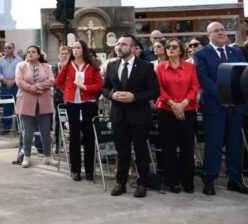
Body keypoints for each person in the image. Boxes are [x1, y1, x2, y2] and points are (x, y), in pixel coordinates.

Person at [101, 34, 160, 198]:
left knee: (141, 151)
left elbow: (155, 91)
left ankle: (142, 184)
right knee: (122, 151)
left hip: (139, 116)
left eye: (124, 44)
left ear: (134, 48)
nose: (119, 47)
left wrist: (135, 97)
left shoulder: (146, 67)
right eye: (118, 44)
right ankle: (121, 183)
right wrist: (112, 95)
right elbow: (104, 88)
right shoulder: (112, 66)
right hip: (118, 116)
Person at [193, 21, 248, 195]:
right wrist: (224, 96)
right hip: (215, 107)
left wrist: (236, 97)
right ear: (209, 35)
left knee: (235, 144)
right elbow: (204, 79)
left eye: (223, 30)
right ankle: (209, 179)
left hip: (235, 107)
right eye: (216, 31)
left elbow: (243, 76)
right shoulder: (201, 54)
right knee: (214, 144)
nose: (221, 33)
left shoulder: (236, 52)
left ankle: (235, 179)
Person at [155, 38, 200, 193]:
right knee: (169, 148)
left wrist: (183, 105)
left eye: (174, 47)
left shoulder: (190, 67)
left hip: (188, 110)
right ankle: (172, 181)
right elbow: (158, 88)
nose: (170, 49)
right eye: (168, 47)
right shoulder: (160, 68)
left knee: (187, 147)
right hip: (167, 112)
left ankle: (187, 181)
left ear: (181, 50)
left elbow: (195, 87)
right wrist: (174, 105)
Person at [56, 40, 103, 181]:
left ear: (84, 50)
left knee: (89, 136)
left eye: (78, 47)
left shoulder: (92, 65)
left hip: (88, 103)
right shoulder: (67, 65)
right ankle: (75, 170)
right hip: (72, 103)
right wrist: (67, 90)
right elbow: (58, 82)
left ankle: (89, 170)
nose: (75, 50)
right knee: (74, 136)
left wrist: (86, 88)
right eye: (73, 48)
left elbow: (99, 85)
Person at [15, 45, 57, 168]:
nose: (30, 54)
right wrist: (31, 88)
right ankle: (26, 156)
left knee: (45, 131)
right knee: (28, 131)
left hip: (44, 101)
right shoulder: (21, 66)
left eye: (33, 52)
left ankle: (48, 157)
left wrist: (37, 87)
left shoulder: (46, 67)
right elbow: (19, 81)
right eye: (28, 52)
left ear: (39, 55)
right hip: (26, 101)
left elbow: (51, 81)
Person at [0, 42, 22, 134]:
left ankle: (20, 128)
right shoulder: (0, 60)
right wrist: (6, 81)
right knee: (6, 108)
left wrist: (13, 81)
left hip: (16, 86)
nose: (7, 49)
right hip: (4, 86)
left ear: (13, 49)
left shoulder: (19, 60)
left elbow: (21, 73)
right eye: (6, 48)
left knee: (18, 107)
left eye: (9, 48)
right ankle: (6, 128)